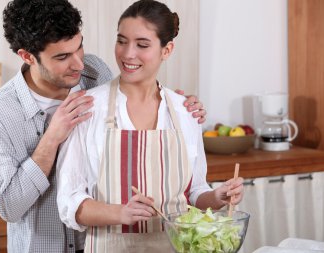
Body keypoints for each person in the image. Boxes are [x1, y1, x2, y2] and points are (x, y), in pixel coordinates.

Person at [0, 0, 206, 252]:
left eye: (79, 47)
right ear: (27, 56)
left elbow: (128, 101)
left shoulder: (95, 72)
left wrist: (178, 106)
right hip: (44, 246)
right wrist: (52, 138)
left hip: (100, 242)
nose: (78, 63)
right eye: (63, 57)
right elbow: (10, 208)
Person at [56, 0, 244, 252]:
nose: (127, 53)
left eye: (142, 44)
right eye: (121, 41)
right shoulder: (88, 108)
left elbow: (195, 192)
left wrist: (216, 197)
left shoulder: (184, 112)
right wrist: (120, 213)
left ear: (167, 50)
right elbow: (70, 202)